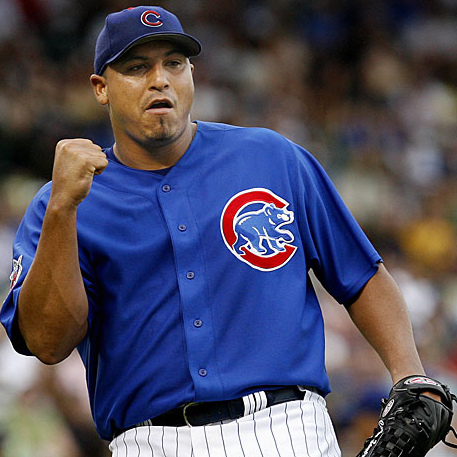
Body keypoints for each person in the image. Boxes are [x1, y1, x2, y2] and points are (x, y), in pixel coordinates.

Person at [0, 6, 441, 457]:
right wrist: (62, 210)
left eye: (174, 63)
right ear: (101, 88)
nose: (159, 80)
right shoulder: (65, 202)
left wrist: (410, 374)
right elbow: (47, 343)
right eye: (136, 68)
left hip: (286, 426)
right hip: (152, 441)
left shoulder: (270, 157)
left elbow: (361, 274)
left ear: (192, 74)